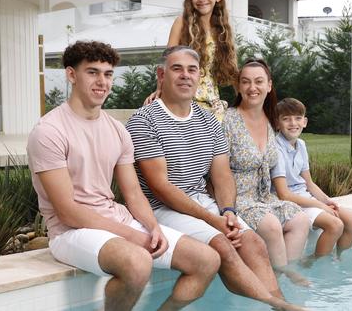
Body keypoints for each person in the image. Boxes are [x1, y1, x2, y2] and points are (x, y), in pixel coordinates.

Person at [26, 41, 220, 311]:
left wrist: (152, 228)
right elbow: (67, 211)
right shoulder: (49, 131)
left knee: (207, 260)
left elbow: (133, 194)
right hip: (70, 232)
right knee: (137, 262)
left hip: (115, 219)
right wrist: (132, 236)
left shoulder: (117, 130)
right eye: (92, 72)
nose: (102, 82)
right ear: (71, 75)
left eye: (107, 74)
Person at [126, 46, 304, 311]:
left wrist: (228, 211)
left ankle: (280, 304)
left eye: (192, 70)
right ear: (161, 75)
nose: (185, 75)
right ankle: (278, 305)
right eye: (177, 69)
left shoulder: (208, 121)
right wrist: (214, 220)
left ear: (199, 78)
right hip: (160, 208)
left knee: (253, 241)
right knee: (222, 244)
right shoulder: (144, 121)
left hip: (202, 202)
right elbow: (160, 187)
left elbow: (222, 175)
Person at [222, 58, 311, 283]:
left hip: (263, 197)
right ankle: (281, 281)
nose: (253, 88)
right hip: (236, 198)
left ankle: (282, 276)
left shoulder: (270, 119)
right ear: (239, 86)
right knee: (271, 224)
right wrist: (226, 208)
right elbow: (217, 170)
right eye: (246, 82)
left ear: (269, 86)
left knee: (300, 220)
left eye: (259, 81)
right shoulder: (228, 120)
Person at [271, 98, 352, 257]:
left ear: (304, 122)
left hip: (305, 197)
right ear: (277, 123)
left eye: (298, 118)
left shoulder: (301, 145)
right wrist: (320, 205)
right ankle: (316, 264)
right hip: (288, 203)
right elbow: (283, 194)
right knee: (335, 225)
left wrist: (326, 201)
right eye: (286, 119)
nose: (293, 123)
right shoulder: (275, 149)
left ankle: (340, 260)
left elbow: (309, 183)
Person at [145, 0, 239, 122]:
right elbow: (167, 61)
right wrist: (159, 90)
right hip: (184, 102)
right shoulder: (181, 23)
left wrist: (243, 100)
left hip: (213, 107)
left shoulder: (222, 30)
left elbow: (233, 72)